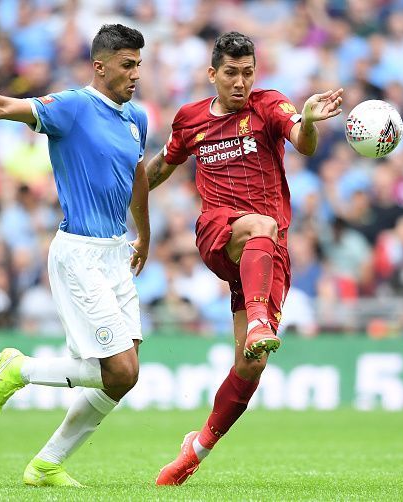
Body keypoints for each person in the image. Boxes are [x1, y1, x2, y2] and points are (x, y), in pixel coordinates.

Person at [0, 24, 150, 488]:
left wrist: (145, 233)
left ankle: (47, 464)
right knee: (119, 368)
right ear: (100, 66)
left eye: (139, 64)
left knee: (123, 377)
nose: (136, 73)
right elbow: (4, 106)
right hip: (78, 253)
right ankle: (18, 368)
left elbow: (138, 175)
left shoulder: (136, 118)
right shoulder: (74, 107)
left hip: (116, 253)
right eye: (127, 64)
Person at [145, 31, 343, 485]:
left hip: (266, 256)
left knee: (251, 364)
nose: (240, 82)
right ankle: (258, 320)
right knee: (261, 224)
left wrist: (309, 120)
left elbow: (303, 141)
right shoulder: (190, 119)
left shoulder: (270, 105)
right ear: (212, 74)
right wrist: (126, 196)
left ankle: (194, 451)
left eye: (248, 72)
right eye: (231, 73)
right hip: (219, 232)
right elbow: (161, 167)